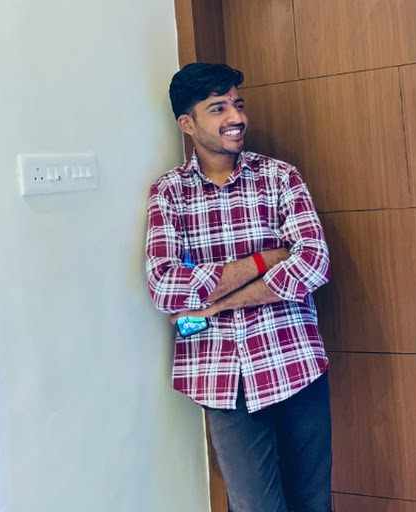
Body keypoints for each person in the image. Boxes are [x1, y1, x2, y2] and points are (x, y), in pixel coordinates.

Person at [145, 62, 333, 512]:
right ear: (187, 124)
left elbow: (313, 263)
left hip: (294, 361)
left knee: (313, 503)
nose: (237, 117)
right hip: (219, 375)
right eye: (218, 108)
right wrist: (265, 260)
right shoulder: (169, 193)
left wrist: (213, 303)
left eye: (238, 104)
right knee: (254, 505)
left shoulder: (280, 177)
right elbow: (165, 285)